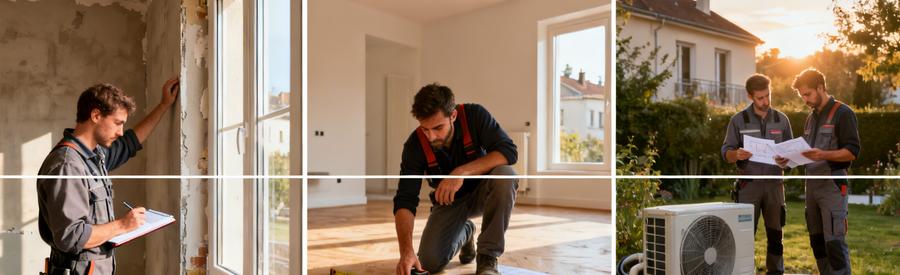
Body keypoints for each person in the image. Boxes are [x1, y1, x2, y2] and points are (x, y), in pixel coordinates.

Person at [36, 78, 180, 275]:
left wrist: (164, 105)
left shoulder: (94, 156)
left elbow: (130, 143)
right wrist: (123, 225)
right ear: (96, 115)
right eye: (117, 123)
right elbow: (72, 237)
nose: (121, 132)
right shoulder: (68, 165)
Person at [393, 83, 518, 275]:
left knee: (506, 174)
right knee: (429, 262)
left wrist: (461, 172)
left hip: (484, 193)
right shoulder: (414, 145)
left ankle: (487, 258)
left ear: (453, 116)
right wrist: (406, 252)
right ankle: (466, 232)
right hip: (449, 203)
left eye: (438, 127)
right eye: (425, 129)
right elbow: (405, 199)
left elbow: (508, 151)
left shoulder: (475, 116)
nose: (431, 136)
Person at [776, 68, 859, 275]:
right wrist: (787, 159)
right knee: (817, 242)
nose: (805, 99)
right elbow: (807, 153)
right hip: (811, 185)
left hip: (832, 185)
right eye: (802, 95)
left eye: (808, 94)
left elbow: (852, 152)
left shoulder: (843, 113)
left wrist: (823, 155)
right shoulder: (811, 118)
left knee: (834, 244)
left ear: (820, 88)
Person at [721, 73, 791, 274]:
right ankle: (742, 271)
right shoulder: (738, 120)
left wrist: (786, 161)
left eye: (768, 95)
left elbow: (791, 155)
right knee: (743, 234)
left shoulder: (782, 120)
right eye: (760, 98)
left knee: (776, 234)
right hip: (748, 187)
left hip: (775, 186)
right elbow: (726, 153)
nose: (766, 101)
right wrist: (737, 153)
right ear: (750, 96)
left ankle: (776, 271)